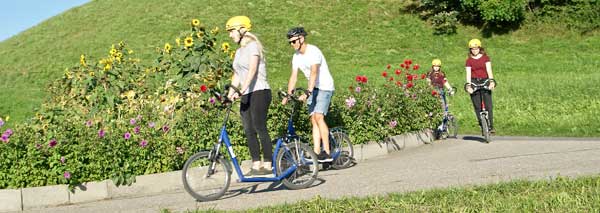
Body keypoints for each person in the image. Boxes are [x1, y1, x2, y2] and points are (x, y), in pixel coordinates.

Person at [225, 16, 272, 175]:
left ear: (241, 29)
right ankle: (256, 164)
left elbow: (252, 70)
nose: (230, 35)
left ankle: (268, 163)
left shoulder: (253, 47)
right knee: (248, 129)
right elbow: (237, 74)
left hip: (259, 91)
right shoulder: (238, 52)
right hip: (246, 93)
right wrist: (230, 93)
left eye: (231, 31)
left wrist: (243, 89)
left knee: (259, 126)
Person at [282, 27, 335, 161]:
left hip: (324, 87)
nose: (292, 44)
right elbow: (293, 76)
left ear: (302, 39)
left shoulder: (313, 51)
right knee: (313, 119)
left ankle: (327, 152)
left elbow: (314, 72)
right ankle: (316, 152)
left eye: (294, 41)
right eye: (290, 42)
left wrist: (308, 92)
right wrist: (288, 95)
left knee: (318, 117)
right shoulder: (296, 56)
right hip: (314, 88)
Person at [464, 38, 496, 135]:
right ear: (470, 50)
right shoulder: (468, 61)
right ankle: (482, 126)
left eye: (476, 48)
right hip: (474, 82)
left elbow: (489, 71)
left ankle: (491, 126)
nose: (474, 50)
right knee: (477, 106)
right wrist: (468, 86)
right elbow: (468, 74)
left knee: (488, 105)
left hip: (485, 80)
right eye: (472, 49)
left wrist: (491, 82)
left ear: (479, 48)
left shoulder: (486, 58)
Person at [427, 59, 455, 133]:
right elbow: (428, 83)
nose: (436, 68)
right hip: (433, 92)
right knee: (434, 109)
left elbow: (445, 82)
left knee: (444, 108)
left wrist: (450, 89)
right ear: (432, 66)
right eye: (435, 66)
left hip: (441, 91)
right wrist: (430, 90)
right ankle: (433, 126)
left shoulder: (442, 73)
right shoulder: (430, 73)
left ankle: (442, 126)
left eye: (438, 66)